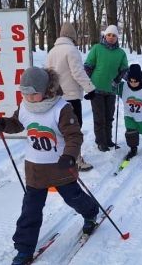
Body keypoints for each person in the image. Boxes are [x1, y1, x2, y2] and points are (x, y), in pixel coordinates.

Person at [0, 67, 99, 265]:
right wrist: (3, 124)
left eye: (34, 94)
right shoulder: (24, 107)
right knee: (30, 210)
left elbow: (74, 135)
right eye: (26, 94)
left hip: (60, 167)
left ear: (46, 90)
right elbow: (17, 122)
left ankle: (91, 213)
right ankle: (24, 249)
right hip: (35, 170)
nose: (29, 98)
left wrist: (70, 155)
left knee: (74, 197)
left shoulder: (61, 108)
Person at [46, 22, 95, 171]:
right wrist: (90, 89)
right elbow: (78, 73)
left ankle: (60, 157)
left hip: (55, 98)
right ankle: (76, 159)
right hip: (71, 97)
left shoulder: (52, 51)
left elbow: (48, 74)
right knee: (74, 130)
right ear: (72, 36)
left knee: (60, 129)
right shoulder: (71, 50)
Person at [84, 25, 129, 152]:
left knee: (109, 116)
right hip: (96, 88)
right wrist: (86, 85)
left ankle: (108, 140)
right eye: (109, 35)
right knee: (99, 117)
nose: (111, 37)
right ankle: (100, 141)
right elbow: (88, 66)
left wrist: (135, 80)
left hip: (111, 89)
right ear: (105, 36)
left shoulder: (120, 53)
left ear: (117, 37)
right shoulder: (97, 48)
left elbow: (124, 70)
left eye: (114, 35)